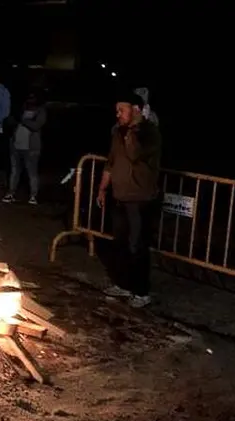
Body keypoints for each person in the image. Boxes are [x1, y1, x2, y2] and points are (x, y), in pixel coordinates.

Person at [96, 92, 162, 308]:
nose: (117, 115)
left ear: (135, 109)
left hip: (140, 199)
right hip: (120, 198)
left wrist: (131, 130)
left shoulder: (148, 132)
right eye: (116, 110)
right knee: (121, 243)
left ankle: (141, 291)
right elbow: (111, 161)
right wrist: (102, 188)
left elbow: (134, 154)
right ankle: (123, 285)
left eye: (121, 110)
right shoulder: (118, 132)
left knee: (137, 245)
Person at [3, 91, 47, 205]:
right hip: (16, 146)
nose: (30, 99)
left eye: (33, 97)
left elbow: (36, 125)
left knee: (32, 173)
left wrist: (22, 120)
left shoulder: (41, 111)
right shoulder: (21, 109)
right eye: (29, 97)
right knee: (14, 171)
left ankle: (33, 196)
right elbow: (9, 122)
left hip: (31, 148)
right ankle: (10, 193)